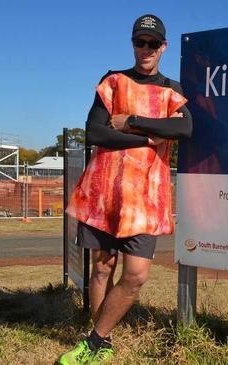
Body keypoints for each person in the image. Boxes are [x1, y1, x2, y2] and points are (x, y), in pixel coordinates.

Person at [58, 14, 192, 365]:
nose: (145, 49)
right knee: (103, 267)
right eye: (139, 42)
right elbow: (95, 132)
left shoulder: (171, 89)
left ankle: (95, 339)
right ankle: (100, 343)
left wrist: (131, 121)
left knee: (135, 275)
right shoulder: (113, 81)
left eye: (152, 43)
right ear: (132, 44)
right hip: (104, 192)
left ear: (163, 46)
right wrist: (150, 137)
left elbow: (186, 128)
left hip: (146, 198)